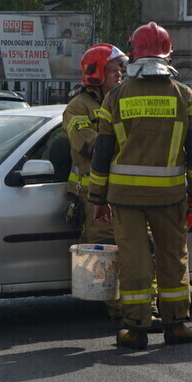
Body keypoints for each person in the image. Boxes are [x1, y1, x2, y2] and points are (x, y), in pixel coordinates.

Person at [88, 22, 192, 350]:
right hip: (170, 196)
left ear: (134, 55)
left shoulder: (115, 97)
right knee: (173, 257)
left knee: (134, 259)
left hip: (125, 198)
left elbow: (102, 154)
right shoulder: (184, 96)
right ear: (168, 55)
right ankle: (176, 325)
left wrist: (98, 197)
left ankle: (136, 328)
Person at [63, 43, 127, 323]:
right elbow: (90, 146)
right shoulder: (78, 107)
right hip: (94, 196)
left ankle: (140, 308)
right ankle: (120, 312)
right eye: (115, 68)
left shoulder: (120, 100)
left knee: (136, 253)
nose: (121, 73)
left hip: (125, 192)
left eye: (122, 68)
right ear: (97, 73)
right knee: (109, 253)